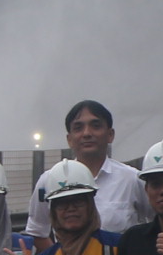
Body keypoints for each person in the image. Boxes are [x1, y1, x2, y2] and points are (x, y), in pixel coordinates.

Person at [22, 98, 152, 241]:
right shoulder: (49, 180)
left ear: (110, 135)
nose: (87, 133)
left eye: (95, 126)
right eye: (78, 128)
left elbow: (160, 222)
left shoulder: (132, 179)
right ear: (69, 139)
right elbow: (38, 231)